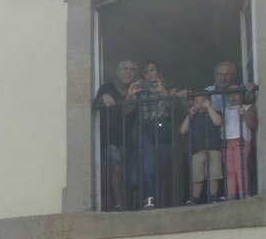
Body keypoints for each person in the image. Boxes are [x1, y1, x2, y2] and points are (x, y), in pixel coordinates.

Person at [128, 60, 178, 209]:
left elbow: (174, 109)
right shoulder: (139, 91)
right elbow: (127, 111)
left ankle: (163, 200)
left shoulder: (168, 89)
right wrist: (129, 95)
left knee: (161, 168)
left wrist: (162, 91)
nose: (149, 74)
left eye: (152, 70)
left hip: (162, 131)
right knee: (148, 166)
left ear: (158, 73)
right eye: (146, 72)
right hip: (144, 130)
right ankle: (149, 198)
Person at [93, 59, 139, 210]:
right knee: (116, 168)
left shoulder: (135, 91)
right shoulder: (107, 88)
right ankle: (118, 204)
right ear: (118, 72)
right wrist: (102, 98)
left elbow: (126, 112)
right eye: (125, 68)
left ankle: (130, 205)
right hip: (110, 139)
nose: (128, 72)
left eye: (132, 69)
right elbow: (94, 104)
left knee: (132, 177)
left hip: (128, 140)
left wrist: (131, 96)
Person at [179, 94, 224, 204]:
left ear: (209, 102)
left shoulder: (215, 113)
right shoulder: (192, 117)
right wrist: (190, 114)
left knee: (215, 174)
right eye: (197, 101)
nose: (200, 104)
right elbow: (182, 130)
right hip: (197, 150)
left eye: (203, 101)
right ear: (193, 104)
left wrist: (209, 108)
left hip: (213, 149)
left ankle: (214, 196)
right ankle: (195, 197)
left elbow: (218, 122)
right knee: (197, 176)